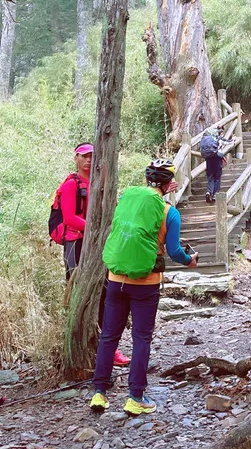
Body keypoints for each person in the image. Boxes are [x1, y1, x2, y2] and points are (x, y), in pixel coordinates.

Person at [90, 158, 199, 416]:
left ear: (147, 179)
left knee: (109, 336)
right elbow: (173, 251)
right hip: (146, 284)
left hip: (116, 279)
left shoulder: (128, 201)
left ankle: (99, 393)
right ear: (169, 183)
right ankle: (135, 397)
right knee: (141, 338)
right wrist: (189, 261)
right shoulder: (168, 212)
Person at [56, 143, 130, 367]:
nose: (89, 160)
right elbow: (69, 218)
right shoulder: (71, 185)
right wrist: (95, 231)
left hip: (99, 244)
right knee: (78, 295)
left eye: (92, 156)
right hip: (76, 245)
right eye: (84, 156)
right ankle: (77, 349)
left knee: (106, 295)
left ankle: (108, 348)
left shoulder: (100, 184)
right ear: (76, 158)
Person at [203, 126, 226, 204]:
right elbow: (221, 147)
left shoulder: (207, 136)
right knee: (217, 177)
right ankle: (216, 194)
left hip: (208, 159)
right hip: (217, 159)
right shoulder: (218, 138)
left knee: (210, 177)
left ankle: (209, 192)